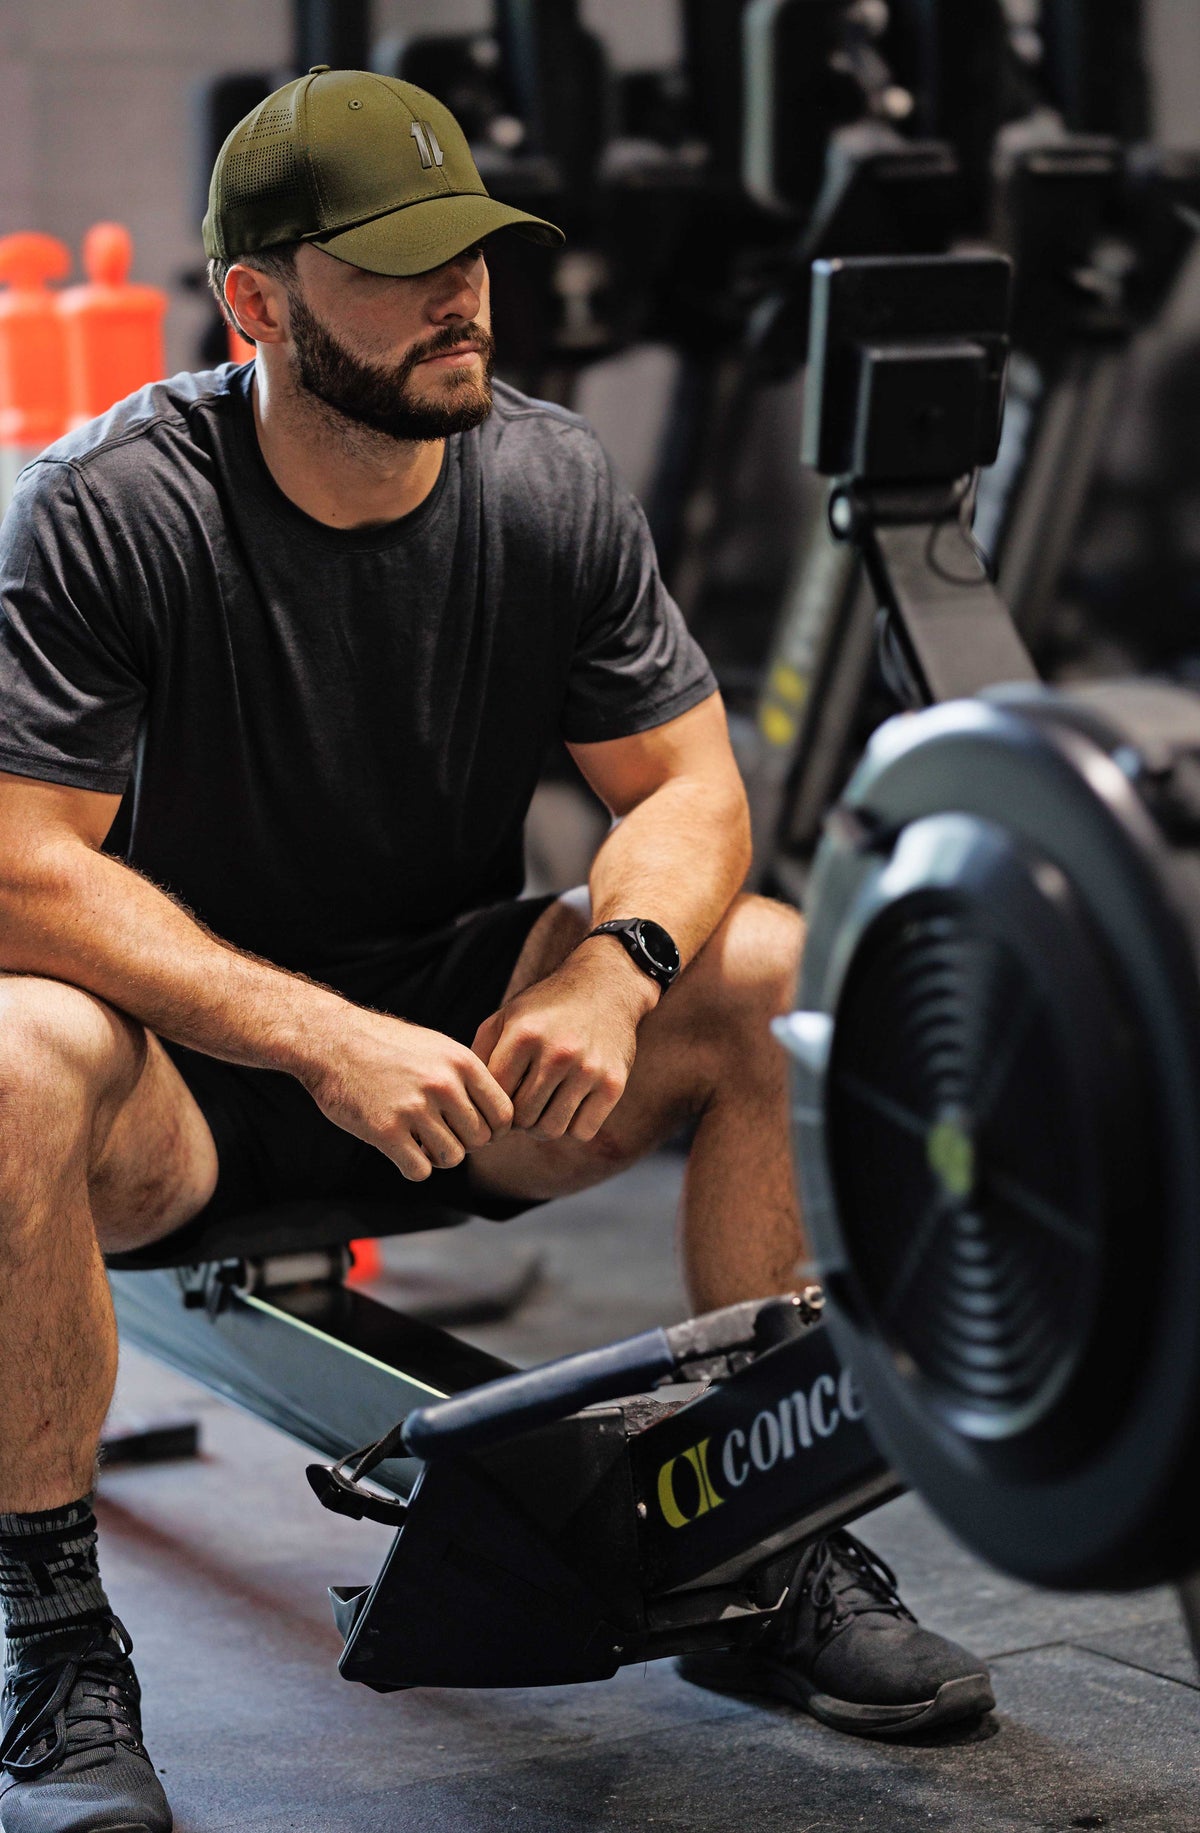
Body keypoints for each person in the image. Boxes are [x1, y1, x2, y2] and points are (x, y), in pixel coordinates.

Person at [0, 68, 993, 1833]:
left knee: (757, 960)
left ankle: (767, 1557)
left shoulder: (544, 479)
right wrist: (314, 1037)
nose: (461, 293)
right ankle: (55, 1648)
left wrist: (615, 967)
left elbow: (690, 787)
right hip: (179, 1090)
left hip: (465, 1060)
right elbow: (18, 871)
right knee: (8, 1058)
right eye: (398, 263)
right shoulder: (110, 507)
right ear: (258, 303)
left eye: (476, 250)